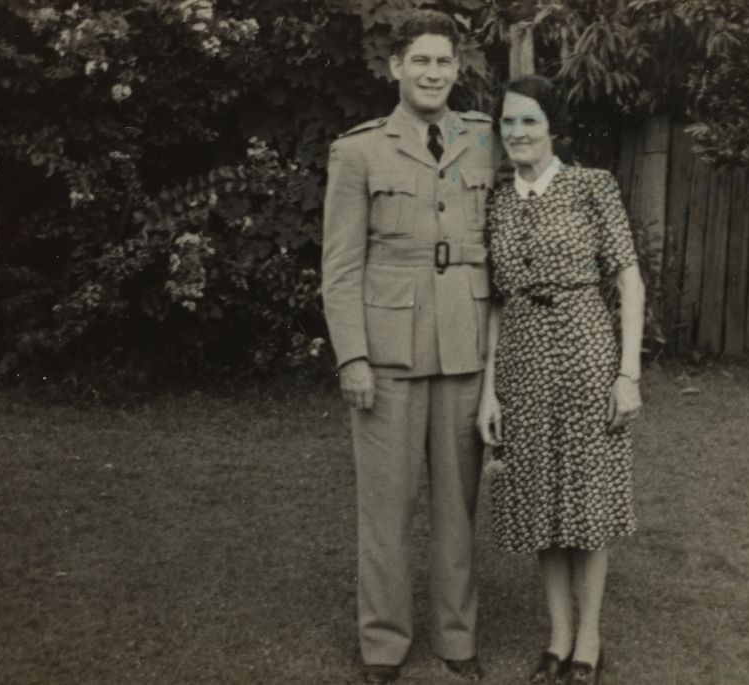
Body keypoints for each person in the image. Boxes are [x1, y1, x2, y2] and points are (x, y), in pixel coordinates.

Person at [321, 9, 500, 684]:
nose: (432, 73)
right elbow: (339, 266)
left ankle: (458, 638)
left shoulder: (485, 140)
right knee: (386, 510)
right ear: (395, 68)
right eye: (419, 61)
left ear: (458, 71)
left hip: (464, 349)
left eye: (443, 62)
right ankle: (384, 644)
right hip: (388, 353)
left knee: (458, 510)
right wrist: (352, 356)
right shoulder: (359, 150)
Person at [476, 75, 645, 685]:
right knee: (539, 498)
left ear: (554, 129)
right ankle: (558, 637)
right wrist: (490, 388)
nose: (518, 133)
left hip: (585, 351)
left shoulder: (591, 187)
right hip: (521, 356)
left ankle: (590, 642)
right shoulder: (497, 200)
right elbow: (495, 302)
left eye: (530, 121)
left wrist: (628, 373)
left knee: (587, 500)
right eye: (509, 122)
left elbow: (628, 282)